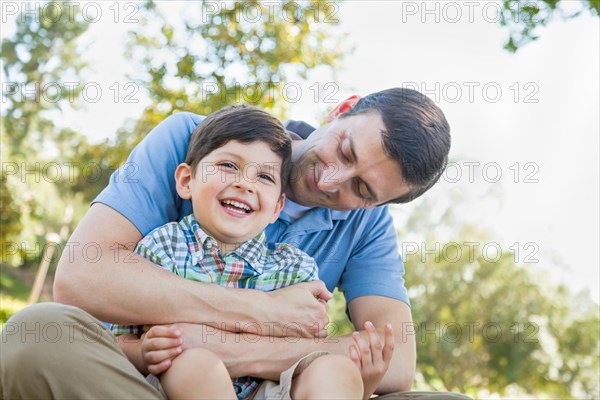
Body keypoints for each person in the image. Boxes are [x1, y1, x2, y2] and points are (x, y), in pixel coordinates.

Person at [1, 88, 469, 399]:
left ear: (380, 204)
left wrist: (228, 348)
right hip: (147, 385)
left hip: (274, 390)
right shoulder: (195, 140)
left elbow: (395, 363)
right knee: (37, 333)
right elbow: (84, 277)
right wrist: (262, 311)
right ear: (341, 109)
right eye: (345, 150)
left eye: (362, 190)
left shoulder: (368, 227)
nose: (331, 180)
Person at [111, 105, 391, 399]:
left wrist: (361, 383)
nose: (244, 183)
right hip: (179, 385)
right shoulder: (162, 248)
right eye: (229, 166)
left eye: (266, 178)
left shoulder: (295, 269)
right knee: (195, 363)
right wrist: (145, 352)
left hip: (268, 387)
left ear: (277, 208)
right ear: (186, 181)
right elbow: (118, 341)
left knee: (335, 369)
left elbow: (306, 352)